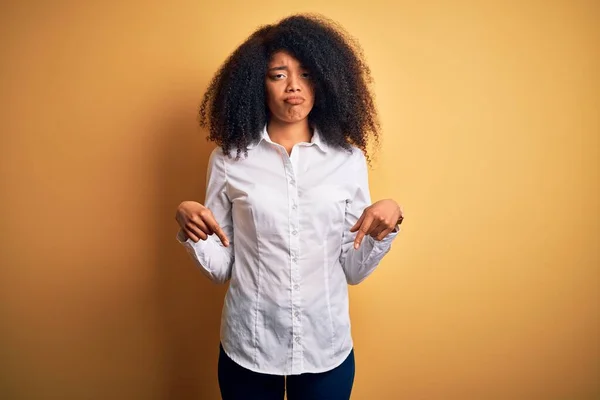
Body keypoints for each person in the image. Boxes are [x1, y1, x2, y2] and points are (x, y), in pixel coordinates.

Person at [174, 13, 404, 400]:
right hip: (249, 346)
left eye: (307, 74)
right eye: (278, 75)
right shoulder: (229, 161)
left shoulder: (347, 160)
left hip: (324, 347)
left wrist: (388, 223)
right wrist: (190, 228)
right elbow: (221, 268)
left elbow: (352, 269)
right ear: (256, 85)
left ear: (326, 82)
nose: (293, 87)